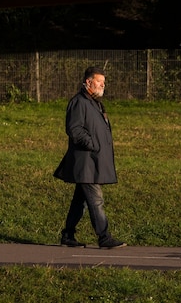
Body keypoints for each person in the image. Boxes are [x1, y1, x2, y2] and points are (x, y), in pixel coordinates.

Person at [53, 66, 127, 249]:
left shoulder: (95, 103)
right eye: (99, 81)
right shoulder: (79, 102)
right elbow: (74, 129)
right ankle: (104, 237)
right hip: (86, 162)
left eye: (104, 82)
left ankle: (68, 235)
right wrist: (93, 144)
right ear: (88, 82)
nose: (103, 85)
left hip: (92, 162)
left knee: (80, 201)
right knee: (95, 200)